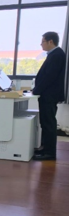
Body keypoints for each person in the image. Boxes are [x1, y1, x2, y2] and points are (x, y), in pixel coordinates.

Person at [32, 31, 67, 161]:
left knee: (48, 123)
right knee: (45, 122)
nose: (41, 44)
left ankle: (49, 152)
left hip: (49, 95)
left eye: (43, 42)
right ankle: (44, 148)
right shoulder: (54, 54)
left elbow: (49, 77)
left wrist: (36, 90)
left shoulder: (57, 55)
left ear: (50, 41)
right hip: (48, 94)